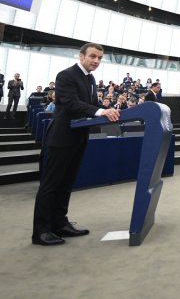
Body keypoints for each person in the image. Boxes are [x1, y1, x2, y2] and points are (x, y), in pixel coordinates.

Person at [32, 43, 120, 246]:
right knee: (51, 184)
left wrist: (109, 110)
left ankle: (60, 224)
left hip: (79, 137)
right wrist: (100, 112)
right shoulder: (66, 75)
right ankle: (41, 231)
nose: (96, 61)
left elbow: (91, 104)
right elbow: (71, 103)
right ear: (81, 56)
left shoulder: (90, 78)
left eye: (99, 58)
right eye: (93, 56)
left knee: (66, 183)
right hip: (61, 138)